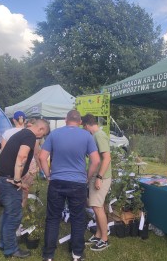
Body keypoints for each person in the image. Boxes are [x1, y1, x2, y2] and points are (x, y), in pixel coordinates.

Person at [40, 110, 100, 261]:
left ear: (66, 120)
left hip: (57, 181)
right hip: (78, 183)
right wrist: (87, 177)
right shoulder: (87, 136)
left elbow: (42, 157)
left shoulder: (54, 134)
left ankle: (48, 255)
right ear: (80, 122)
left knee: (53, 218)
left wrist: (48, 175)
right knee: (78, 218)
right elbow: (96, 161)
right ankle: (77, 254)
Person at [0, 119, 49, 259]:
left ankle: (4, 243)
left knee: (8, 213)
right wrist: (18, 179)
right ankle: (11, 249)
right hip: (8, 179)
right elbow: (22, 156)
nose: (41, 138)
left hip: (1, 177)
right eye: (43, 135)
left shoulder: (22, 133)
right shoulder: (29, 136)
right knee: (14, 215)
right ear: (41, 130)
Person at [82, 113, 112, 251]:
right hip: (97, 176)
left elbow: (106, 158)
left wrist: (99, 177)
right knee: (96, 206)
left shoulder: (99, 135)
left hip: (102, 177)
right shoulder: (95, 135)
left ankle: (105, 239)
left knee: (97, 207)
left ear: (87, 125)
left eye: (84, 127)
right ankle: (99, 234)